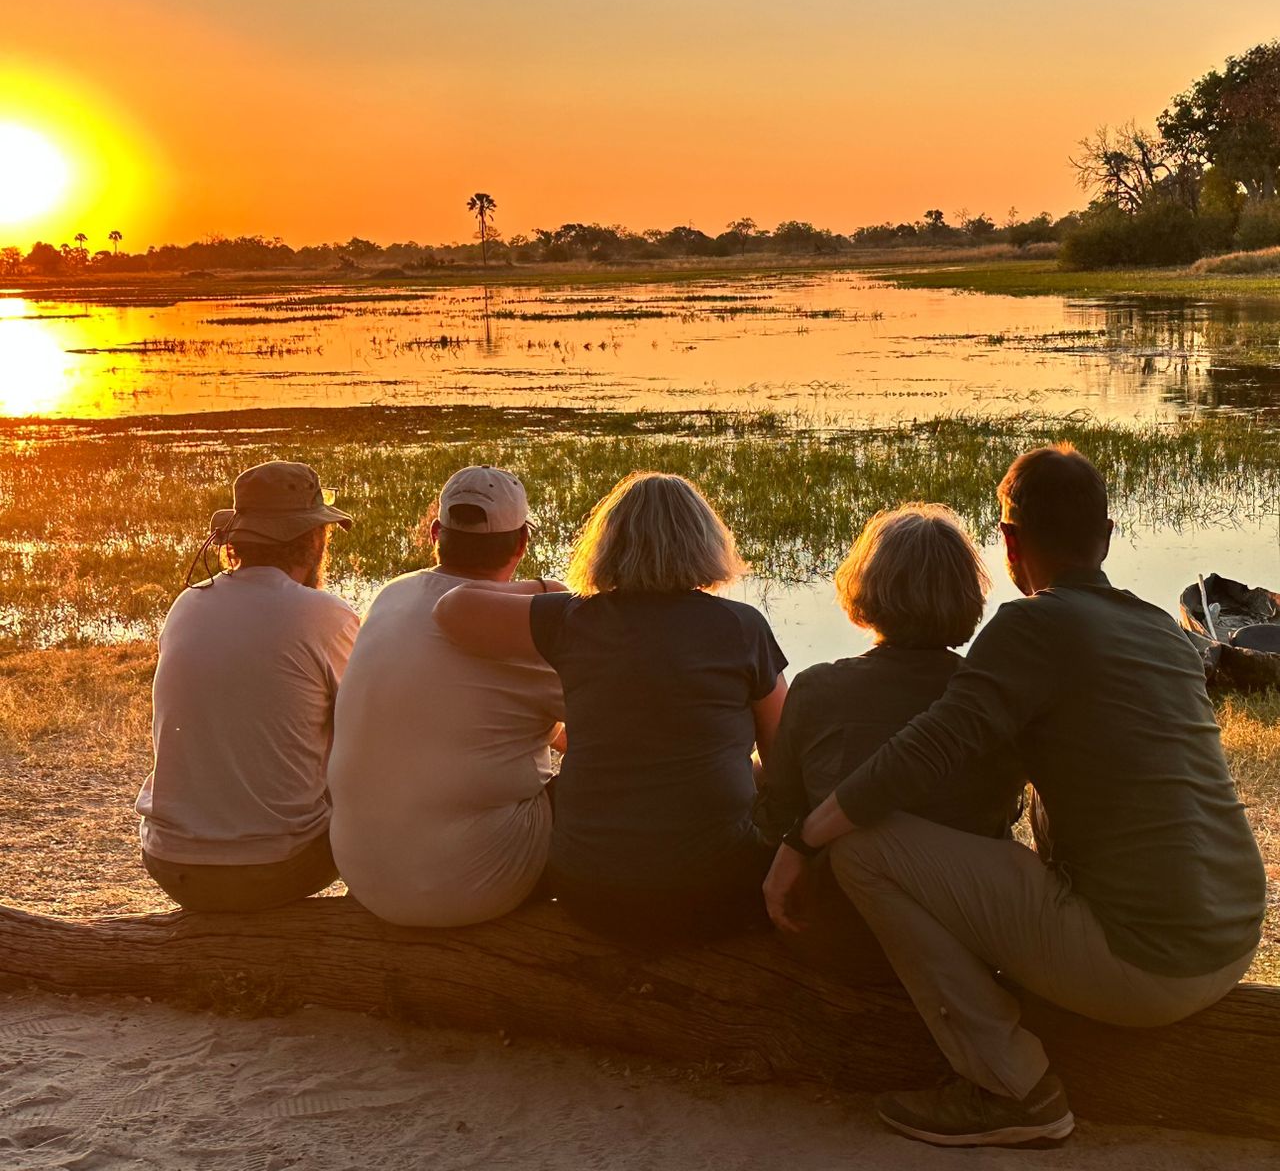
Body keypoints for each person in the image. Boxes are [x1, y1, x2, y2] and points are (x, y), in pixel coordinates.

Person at [764, 446, 1266, 1147]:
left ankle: (1012, 1089)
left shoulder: (1033, 625)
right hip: (1234, 930)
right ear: (1109, 536)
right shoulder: (1160, 630)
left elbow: (918, 754)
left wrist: (800, 840)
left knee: (862, 847)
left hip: (1145, 963)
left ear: (1009, 541)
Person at [435, 471, 788, 944]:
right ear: (705, 543)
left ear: (608, 546)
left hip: (587, 894)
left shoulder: (572, 618)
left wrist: (549, 591)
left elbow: (452, 607)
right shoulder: (741, 626)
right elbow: (783, 752)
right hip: (713, 895)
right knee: (761, 779)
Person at [756, 504, 1025, 973]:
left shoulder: (818, 687)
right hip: (966, 943)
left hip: (836, 942)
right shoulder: (992, 697)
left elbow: (780, 813)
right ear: (967, 594)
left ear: (865, 588)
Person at [327, 465, 566, 927]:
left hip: (364, 875)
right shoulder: (526, 632)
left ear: (437, 532)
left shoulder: (390, 595)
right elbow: (611, 730)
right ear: (522, 544)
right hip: (466, 887)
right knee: (616, 781)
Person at [136, 460, 359, 912]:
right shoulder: (324, 615)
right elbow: (372, 727)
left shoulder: (187, 604)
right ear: (313, 540)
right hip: (276, 867)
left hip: (169, 861)